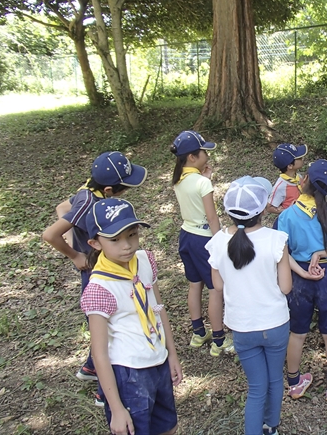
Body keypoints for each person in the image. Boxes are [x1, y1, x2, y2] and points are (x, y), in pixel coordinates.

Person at [42, 151, 147, 383]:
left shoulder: (87, 190)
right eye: (124, 189)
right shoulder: (90, 201)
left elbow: (62, 208)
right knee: (108, 325)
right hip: (97, 271)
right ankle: (105, 386)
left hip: (106, 263)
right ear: (108, 191)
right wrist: (75, 254)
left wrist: (71, 237)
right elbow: (50, 234)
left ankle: (90, 368)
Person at [81, 198, 182, 434]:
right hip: (129, 372)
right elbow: (99, 353)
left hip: (158, 359)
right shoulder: (100, 288)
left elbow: (158, 308)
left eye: (132, 235)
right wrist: (116, 408)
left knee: (169, 426)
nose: (126, 245)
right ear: (95, 243)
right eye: (115, 240)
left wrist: (172, 354)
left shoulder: (145, 260)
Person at [206, 176, 291, 435]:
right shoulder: (277, 239)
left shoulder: (218, 241)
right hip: (276, 323)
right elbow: (286, 287)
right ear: (264, 208)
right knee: (275, 379)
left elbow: (218, 287)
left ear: (229, 212)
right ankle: (271, 428)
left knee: (256, 387)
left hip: (242, 327)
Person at [277, 160, 327, 402]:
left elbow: (282, 253)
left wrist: (301, 272)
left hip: (299, 278)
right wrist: (321, 254)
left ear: (304, 180)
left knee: (297, 333)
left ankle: (294, 382)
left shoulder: (287, 216)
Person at [170, 130, 234, 356]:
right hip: (203, 239)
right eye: (204, 151)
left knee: (194, 284)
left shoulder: (179, 179)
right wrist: (219, 242)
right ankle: (218, 339)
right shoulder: (202, 183)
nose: (207, 155)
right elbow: (212, 216)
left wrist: (205, 178)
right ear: (192, 157)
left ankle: (198, 332)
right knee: (216, 288)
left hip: (186, 236)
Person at [268, 143, 307, 216]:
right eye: (299, 158)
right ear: (290, 166)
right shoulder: (280, 186)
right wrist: (287, 211)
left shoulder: (298, 177)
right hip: (292, 220)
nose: (302, 159)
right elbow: (269, 207)